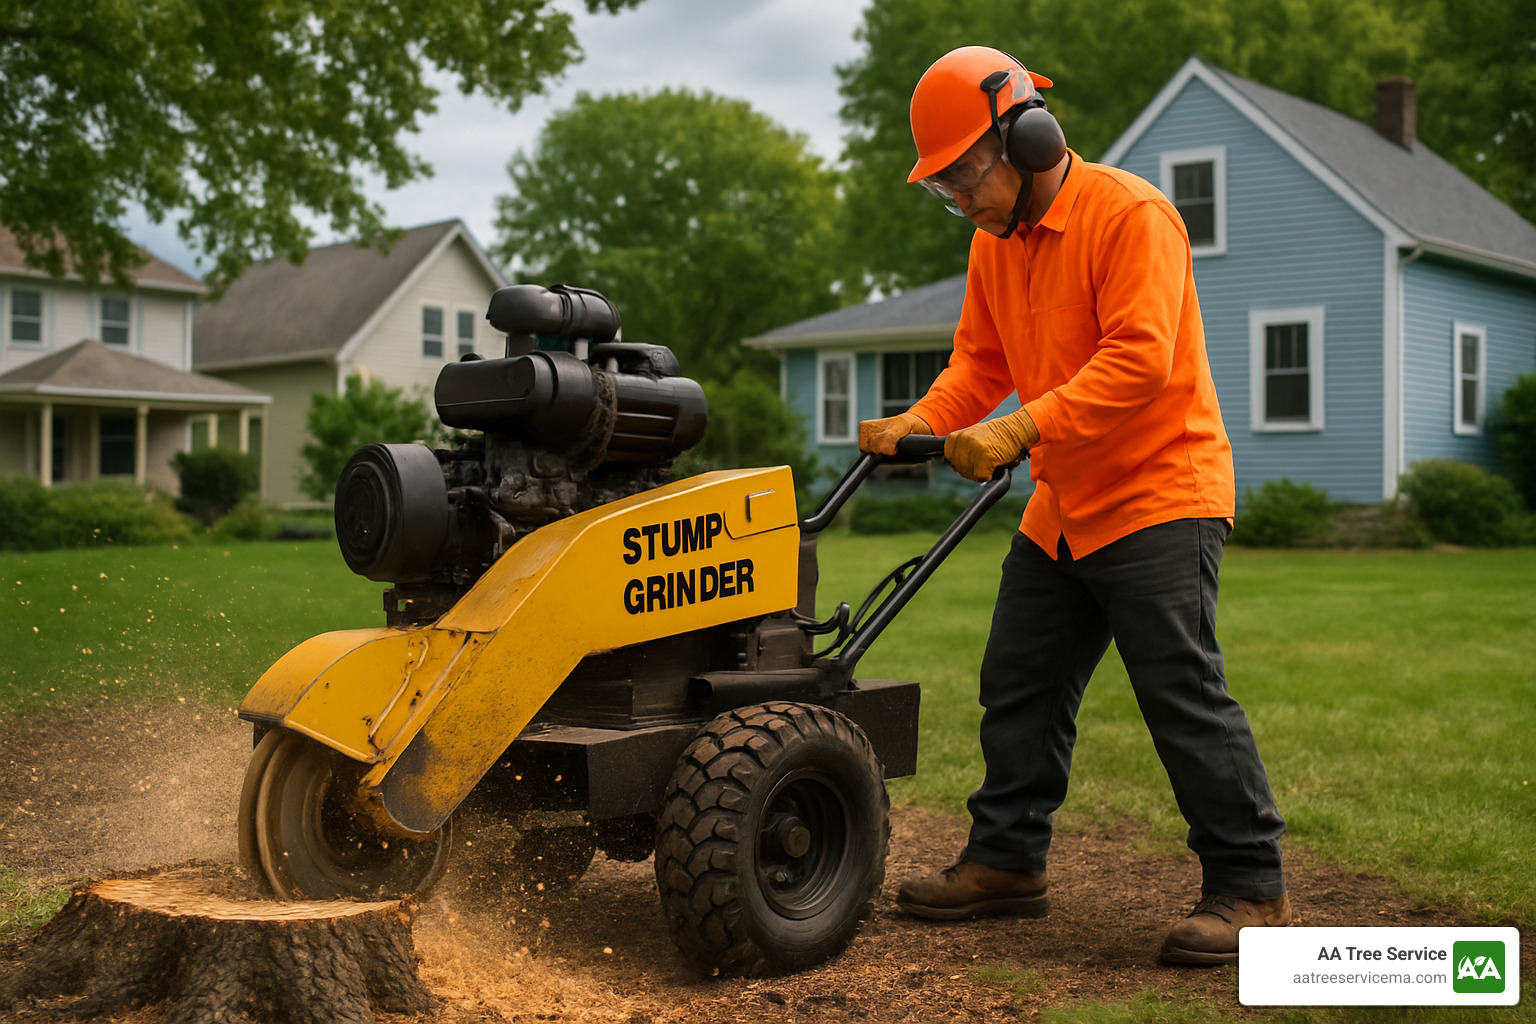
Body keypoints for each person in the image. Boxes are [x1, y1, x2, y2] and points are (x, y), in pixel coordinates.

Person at [859, 45, 1290, 965]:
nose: (960, 199)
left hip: (1159, 490)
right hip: (1064, 501)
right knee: (1019, 680)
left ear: (1029, 137)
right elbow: (979, 363)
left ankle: (1251, 885)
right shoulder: (994, 244)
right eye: (943, 187)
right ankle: (1008, 862)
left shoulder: (1132, 216)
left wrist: (1018, 430)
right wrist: (920, 421)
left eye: (964, 176)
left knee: (1179, 691)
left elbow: (1139, 360)